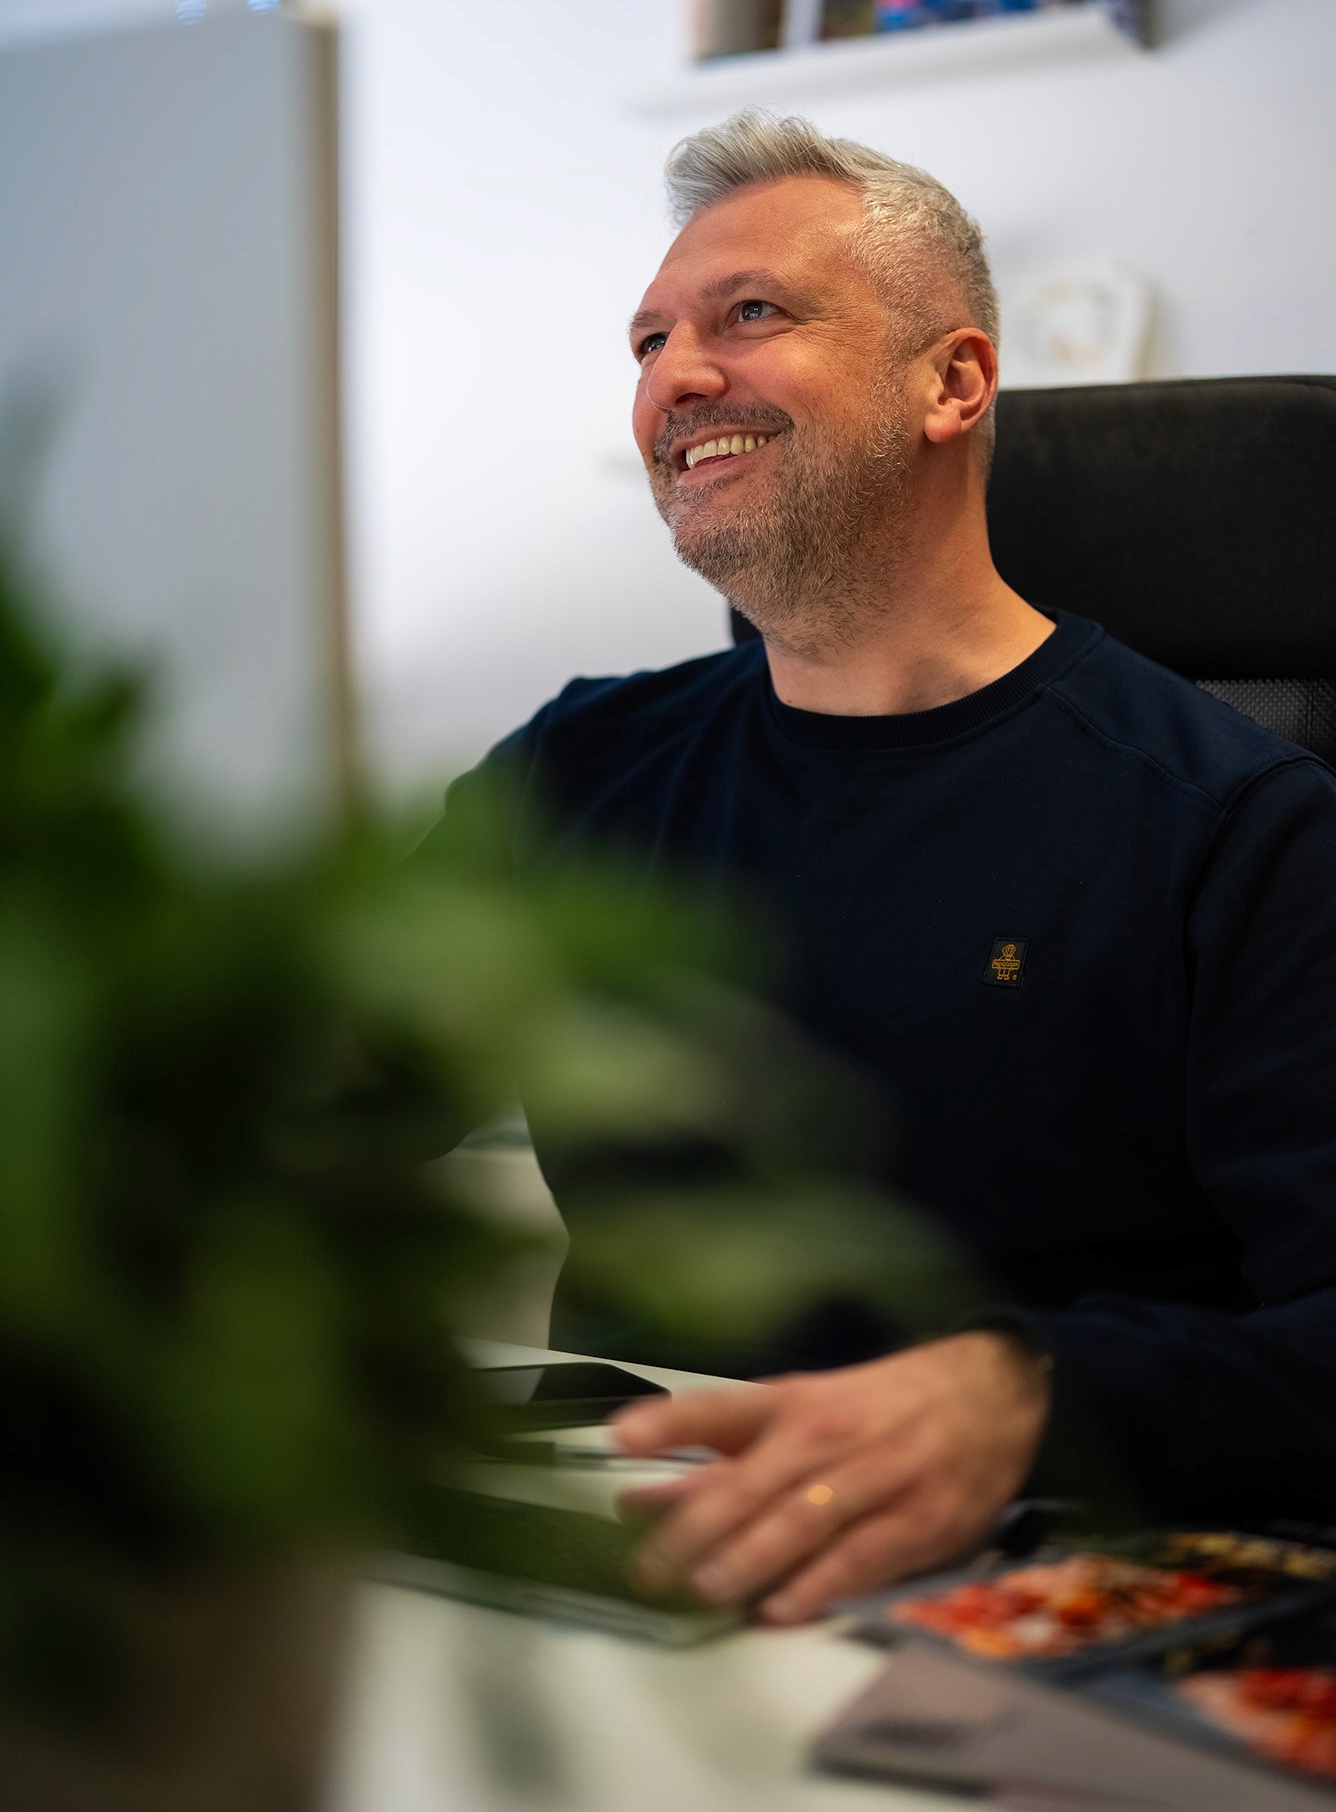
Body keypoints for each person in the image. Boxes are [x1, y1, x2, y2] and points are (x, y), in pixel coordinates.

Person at [445, 110, 1336, 1624]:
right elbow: (309, 1088)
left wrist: (1022, 1395)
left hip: (1026, 1577)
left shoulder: (1237, 826)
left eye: (750, 313)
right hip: (622, 1554)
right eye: (650, 341)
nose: (675, 378)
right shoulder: (574, 772)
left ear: (954, 381)